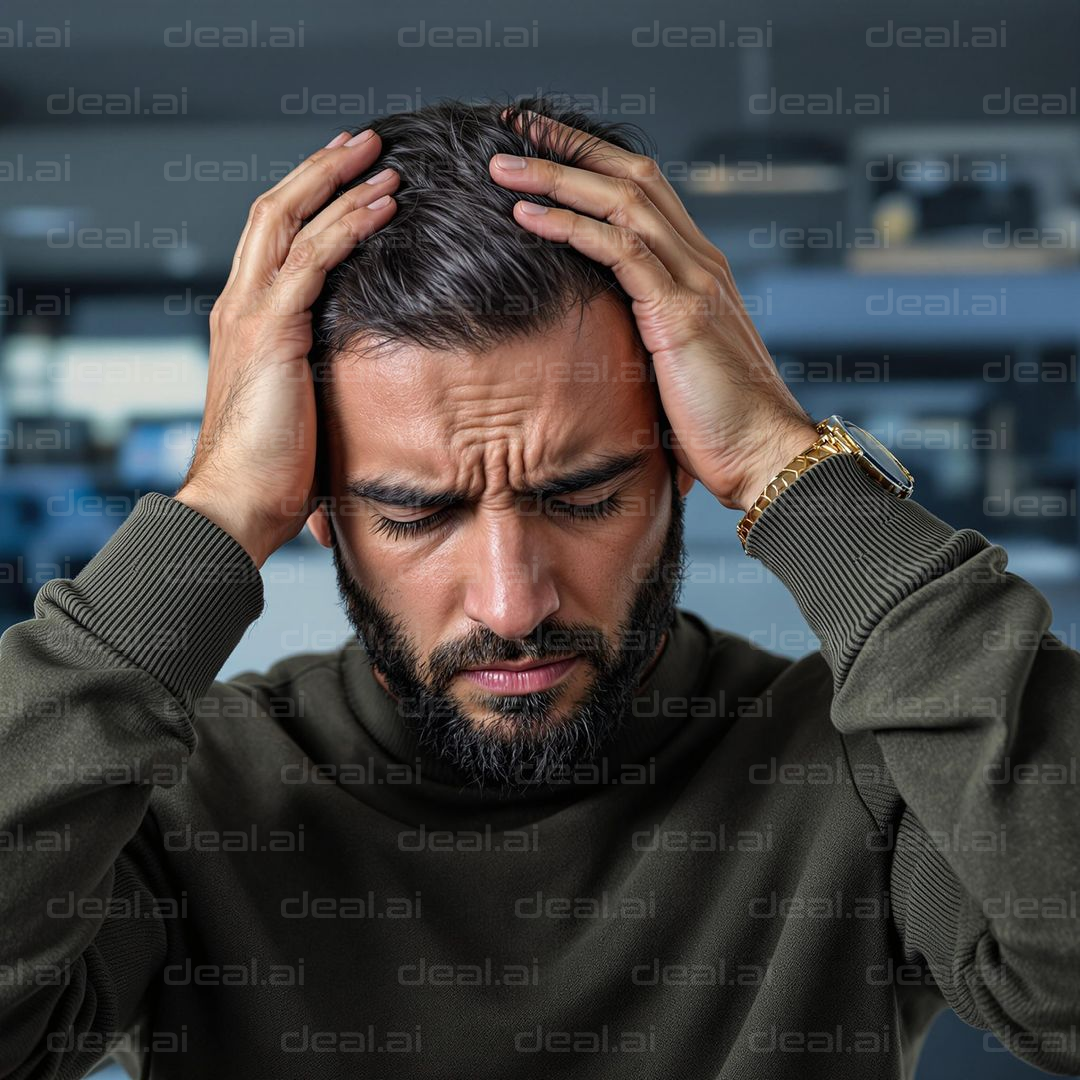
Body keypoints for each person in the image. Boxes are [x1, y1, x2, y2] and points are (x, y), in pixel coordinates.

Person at [1, 95, 1078, 1080]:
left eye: (585, 497)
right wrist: (220, 511)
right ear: (318, 506)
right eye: (418, 513)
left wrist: (782, 464)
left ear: (682, 472)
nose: (512, 607)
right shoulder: (182, 797)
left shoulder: (866, 772)